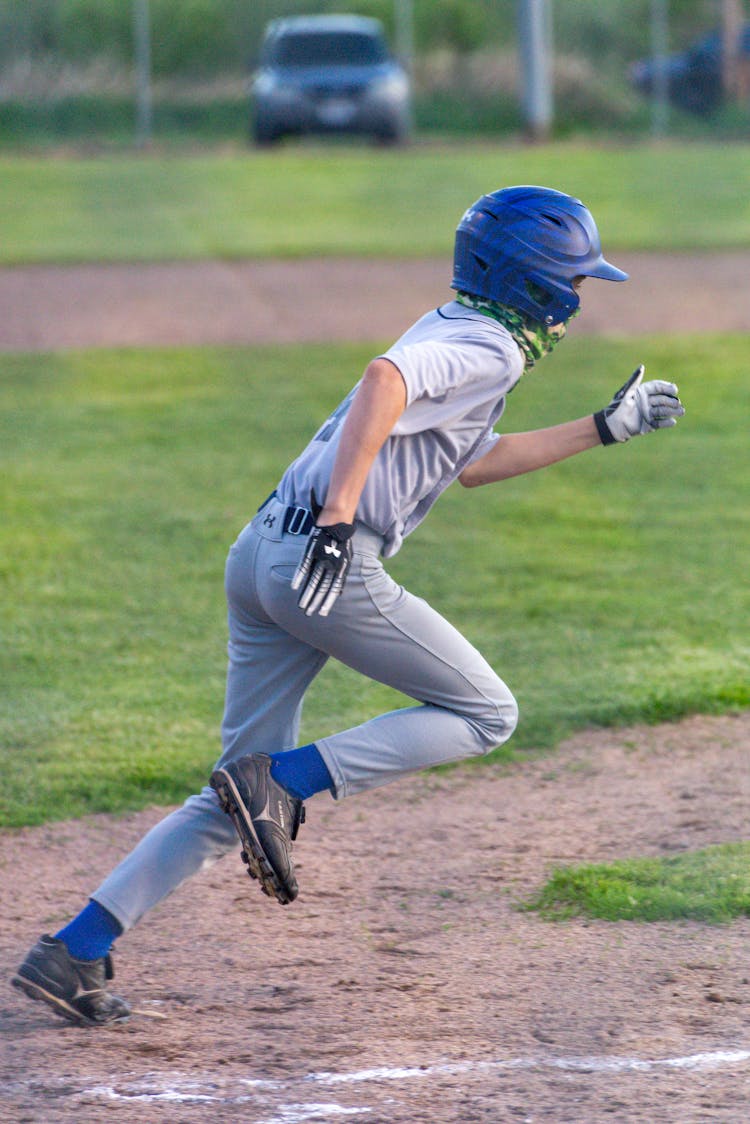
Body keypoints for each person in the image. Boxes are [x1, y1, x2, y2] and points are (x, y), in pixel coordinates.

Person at [11, 186, 684, 1027]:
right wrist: (338, 519)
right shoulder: (489, 349)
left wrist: (604, 427)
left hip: (261, 553)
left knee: (231, 801)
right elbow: (384, 381)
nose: (580, 301)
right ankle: (285, 784)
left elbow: (471, 461)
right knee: (485, 713)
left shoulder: (455, 325)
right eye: (576, 282)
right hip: (322, 560)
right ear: (536, 283)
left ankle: (75, 947)